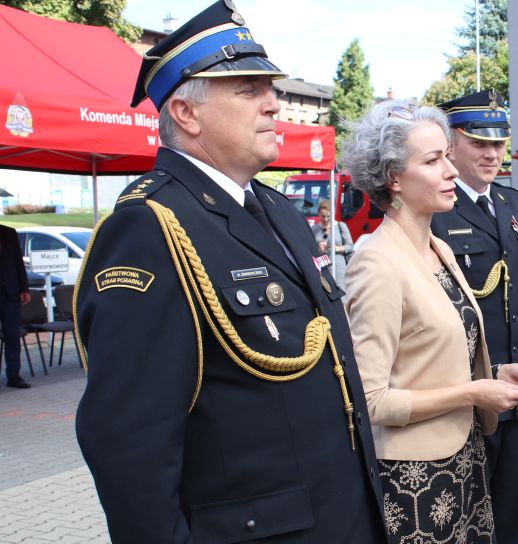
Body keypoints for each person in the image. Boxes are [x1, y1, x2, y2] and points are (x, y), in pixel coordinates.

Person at [73, 2, 388, 541]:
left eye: (271, 88)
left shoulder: (276, 209)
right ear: (186, 113)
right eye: (248, 90)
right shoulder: (150, 229)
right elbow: (130, 447)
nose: (274, 103)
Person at [341, 100, 518, 544]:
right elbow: (371, 400)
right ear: (393, 177)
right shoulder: (376, 261)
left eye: (446, 157)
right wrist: (475, 392)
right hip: (415, 479)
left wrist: (497, 374)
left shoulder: (438, 248)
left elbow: (434, 355)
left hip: (463, 460)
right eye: (434, 160)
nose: (451, 170)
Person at [430, 89, 518, 544]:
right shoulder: (435, 212)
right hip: (469, 397)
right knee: (465, 518)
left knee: (510, 517)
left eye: (499, 143)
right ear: (451, 144)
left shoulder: (517, 205)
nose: (492, 153)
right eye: (479, 143)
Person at [0, 224, 30, 389]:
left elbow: (19, 263)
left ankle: (14, 375)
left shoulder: (8, 233)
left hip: (10, 293)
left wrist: (24, 288)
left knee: (12, 335)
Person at [311, 198, 353, 286]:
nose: (326, 219)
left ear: (333, 214)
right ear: (319, 214)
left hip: (339, 267)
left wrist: (335, 248)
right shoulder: (314, 229)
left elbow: (350, 246)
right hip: (322, 268)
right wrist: (318, 249)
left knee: (341, 293)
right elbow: (310, 250)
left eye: (328, 216)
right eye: (323, 216)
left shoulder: (340, 226)